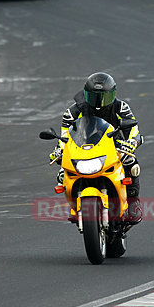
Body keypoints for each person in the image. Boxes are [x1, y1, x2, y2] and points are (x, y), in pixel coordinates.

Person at [50, 72, 144, 224]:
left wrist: (132, 142)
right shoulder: (73, 111)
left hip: (114, 146)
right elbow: (64, 136)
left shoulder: (121, 107)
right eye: (95, 97)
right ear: (86, 95)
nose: (99, 103)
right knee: (62, 174)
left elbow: (133, 129)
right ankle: (75, 205)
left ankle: (133, 202)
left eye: (104, 97)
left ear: (113, 94)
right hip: (82, 147)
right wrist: (59, 150)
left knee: (131, 164)